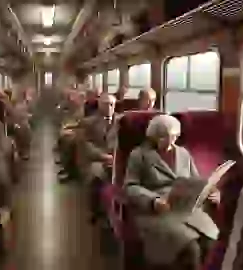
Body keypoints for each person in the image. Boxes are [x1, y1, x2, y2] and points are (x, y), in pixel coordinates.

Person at [123, 115, 220, 270]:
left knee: (210, 241)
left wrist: (211, 191)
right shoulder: (139, 155)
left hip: (184, 208)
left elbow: (195, 180)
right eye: (164, 137)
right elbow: (130, 186)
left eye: (174, 136)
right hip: (156, 210)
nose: (170, 141)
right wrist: (153, 200)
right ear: (153, 136)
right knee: (190, 248)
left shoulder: (183, 153)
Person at [78, 93, 119, 224]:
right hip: (97, 159)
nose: (109, 107)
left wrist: (116, 157)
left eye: (112, 104)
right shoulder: (88, 122)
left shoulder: (122, 121)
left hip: (117, 157)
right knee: (96, 175)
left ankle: (117, 210)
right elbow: (86, 145)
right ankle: (95, 210)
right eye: (106, 104)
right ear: (99, 105)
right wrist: (103, 157)